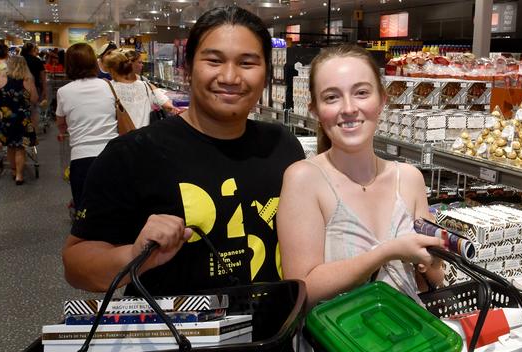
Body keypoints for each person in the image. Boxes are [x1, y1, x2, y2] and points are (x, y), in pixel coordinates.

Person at [62, 6, 305, 296]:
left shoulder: (283, 146)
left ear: (266, 74)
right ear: (188, 68)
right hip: (177, 337)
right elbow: (76, 266)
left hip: (271, 337)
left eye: (247, 63)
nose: (230, 76)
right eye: (214, 60)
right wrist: (135, 256)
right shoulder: (133, 154)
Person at [277, 45, 445, 311]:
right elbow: (301, 291)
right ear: (315, 110)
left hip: (410, 341)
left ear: (382, 101)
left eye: (361, 93)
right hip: (342, 346)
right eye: (332, 97)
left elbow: (435, 278)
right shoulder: (305, 179)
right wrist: (388, 252)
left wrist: (433, 257)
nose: (349, 108)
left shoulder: (409, 179)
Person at [55, 43, 118, 209]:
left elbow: (61, 123)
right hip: (111, 154)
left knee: (85, 210)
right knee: (112, 207)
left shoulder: (64, 92)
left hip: (82, 158)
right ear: (93, 62)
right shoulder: (108, 85)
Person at [0, 56, 39, 185]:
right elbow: (34, 99)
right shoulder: (28, 80)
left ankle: (13, 171)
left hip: (6, 119)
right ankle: (19, 175)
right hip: (23, 119)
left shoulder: (1, 78)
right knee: (20, 148)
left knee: (10, 147)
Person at [103, 50, 179, 129]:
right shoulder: (146, 86)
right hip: (143, 137)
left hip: (123, 137)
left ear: (111, 70)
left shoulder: (108, 88)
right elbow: (166, 105)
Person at [20, 43, 47, 132]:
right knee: (34, 109)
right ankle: (33, 131)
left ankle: (22, 129)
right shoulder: (37, 61)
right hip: (35, 87)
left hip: (20, 88)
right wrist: (44, 89)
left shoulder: (19, 61)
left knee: (21, 109)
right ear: (32, 50)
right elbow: (43, 77)